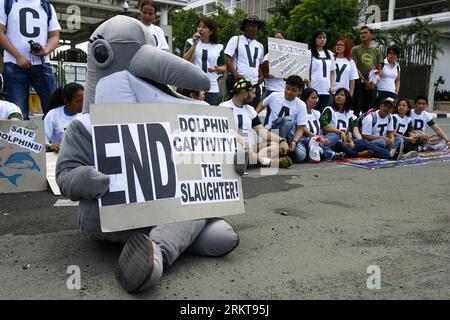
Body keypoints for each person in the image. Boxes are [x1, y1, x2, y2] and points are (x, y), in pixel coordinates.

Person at [0, 0, 61, 120]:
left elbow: (55, 35)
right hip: (14, 64)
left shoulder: (47, 6)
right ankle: (22, 138)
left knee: (55, 109)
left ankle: (52, 137)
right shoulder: (6, 3)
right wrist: (17, 56)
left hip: (43, 65)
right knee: (17, 112)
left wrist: (46, 50)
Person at [220, 79, 291, 168]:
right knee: (243, 148)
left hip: (250, 149)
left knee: (275, 146)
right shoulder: (223, 107)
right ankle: (267, 162)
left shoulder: (250, 109)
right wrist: (242, 141)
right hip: (233, 148)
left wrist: (281, 140)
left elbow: (262, 132)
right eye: (253, 93)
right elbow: (226, 131)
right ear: (244, 93)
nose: (255, 96)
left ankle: (257, 160)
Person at [183, 17, 226, 106]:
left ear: (211, 31)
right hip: (194, 85)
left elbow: (224, 67)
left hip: (211, 85)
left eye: (204, 27)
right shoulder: (190, 42)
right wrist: (195, 44)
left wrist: (216, 69)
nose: (200, 29)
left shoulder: (218, 47)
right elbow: (185, 60)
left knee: (211, 112)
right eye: (199, 26)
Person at [224, 15, 265, 108]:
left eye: (255, 26)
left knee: (252, 111)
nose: (252, 28)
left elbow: (260, 64)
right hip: (239, 81)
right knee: (236, 109)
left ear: (258, 29)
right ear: (244, 28)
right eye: (249, 25)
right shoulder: (236, 39)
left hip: (254, 84)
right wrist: (235, 74)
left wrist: (262, 76)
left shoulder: (260, 46)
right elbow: (227, 57)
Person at [320, 88, 372, 158]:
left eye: (342, 95)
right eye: (337, 94)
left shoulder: (348, 113)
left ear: (347, 99)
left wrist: (350, 141)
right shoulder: (329, 110)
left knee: (362, 143)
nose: (338, 96)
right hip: (332, 140)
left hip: (344, 141)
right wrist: (339, 132)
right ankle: (357, 154)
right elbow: (324, 126)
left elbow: (346, 131)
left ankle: (346, 152)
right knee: (339, 143)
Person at [297, 88, 346, 163]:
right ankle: (330, 154)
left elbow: (326, 126)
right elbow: (303, 129)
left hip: (319, 140)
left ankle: (319, 151)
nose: (316, 100)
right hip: (306, 140)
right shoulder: (300, 112)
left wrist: (340, 132)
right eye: (313, 98)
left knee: (335, 135)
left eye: (316, 98)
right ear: (305, 98)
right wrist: (317, 138)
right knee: (312, 143)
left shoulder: (317, 113)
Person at [351, 26, 383, 115]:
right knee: (356, 108)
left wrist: (374, 81)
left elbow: (379, 67)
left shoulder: (376, 51)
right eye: (361, 33)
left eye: (365, 33)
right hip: (359, 81)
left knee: (369, 110)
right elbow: (354, 66)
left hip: (372, 82)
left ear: (371, 35)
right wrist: (364, 81)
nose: (362, 35)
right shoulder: (355, 49)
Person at [44, 83, 84, 153]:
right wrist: (50, 146)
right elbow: (42, 140)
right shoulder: (52, 115)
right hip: (60, 156)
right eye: (78, 101)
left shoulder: (87, 114)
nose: (82, 104)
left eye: (83, 100)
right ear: (67, 102)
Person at [305, 29, 336, 113]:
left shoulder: (329, 53)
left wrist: (332, 86)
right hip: (314, 88)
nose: (322, 40)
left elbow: (332, 71)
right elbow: (306, 73)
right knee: (312, 113)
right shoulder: (309, 53)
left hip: (326, 90)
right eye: (319, 37)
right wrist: (310, 88)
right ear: (314, 39)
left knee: (323, 113)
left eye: (324, 37)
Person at [262, 32, 286, 97]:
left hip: (285, 90)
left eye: (281, 39)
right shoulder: (268, 56)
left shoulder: (289, 56)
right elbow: (264, 74)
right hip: (272, 89)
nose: (279, 41)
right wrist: (271, 74)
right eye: (276, 40)